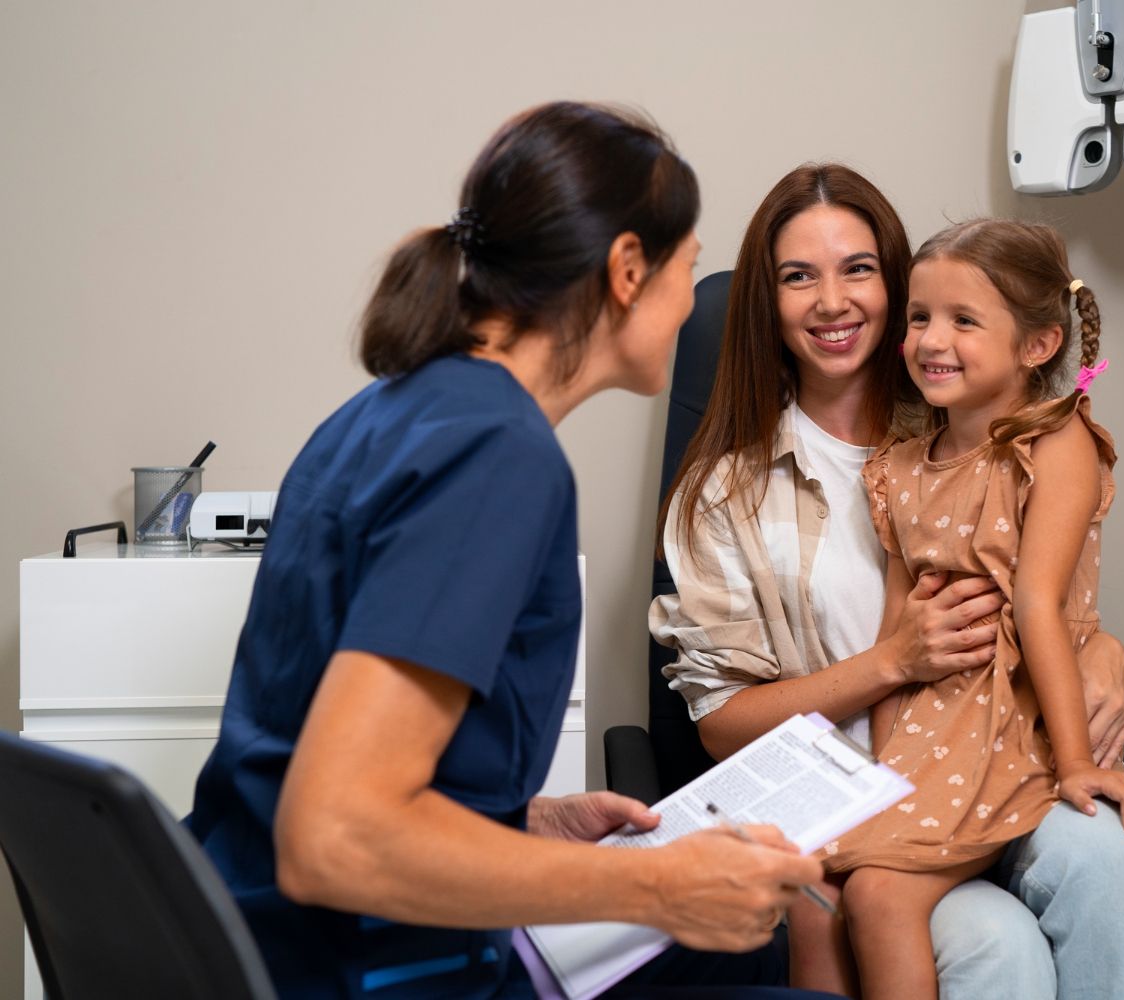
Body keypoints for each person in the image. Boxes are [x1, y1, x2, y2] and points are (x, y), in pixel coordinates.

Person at [186, 102, 832, 1000]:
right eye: (688, 267)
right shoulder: (499, 456)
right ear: (628, 269)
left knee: (749, 952)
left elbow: (328, 748)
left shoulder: (394, 410)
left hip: (248, 930)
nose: (693, 301)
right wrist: (656, 883)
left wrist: (524, 819)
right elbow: (335, 834)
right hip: (358, 967)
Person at [650, 166, 1124, 999]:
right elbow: (719, 725)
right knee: (1000, 951)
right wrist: (895, 660)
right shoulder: (727, 495)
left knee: (1109, 855)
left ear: (891, 285)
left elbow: (1043, 590)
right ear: (766, 305)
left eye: (857, 269)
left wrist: (1103, 646)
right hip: (872, 797)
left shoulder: (975, 423)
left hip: (1012, 757)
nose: (831, 301)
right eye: (797, 277)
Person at [788, 219, 1124, 1000]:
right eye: (920, 317)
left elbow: (1040, 610)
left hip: (1015, 734)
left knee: (878, 893)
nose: (931, 339)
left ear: (1037, 345)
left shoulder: (1056, 446)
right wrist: (891, 775)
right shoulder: (897, 471)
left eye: (963, 320)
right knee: (859, 894)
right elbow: (901, 637)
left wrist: (1077, 766)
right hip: (928, 744)